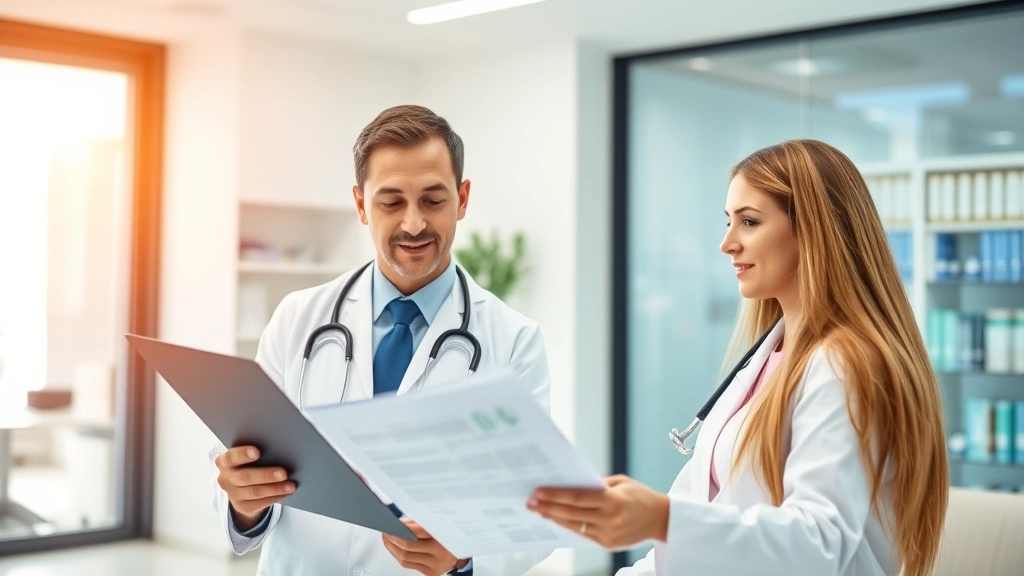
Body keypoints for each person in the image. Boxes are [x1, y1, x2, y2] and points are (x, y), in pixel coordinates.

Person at [527, 140, 948, 576]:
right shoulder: (765, 360)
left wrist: (661, 518)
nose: (727, 243)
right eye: (729, 222)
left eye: (749, 222)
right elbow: (691, 531)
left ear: (813, 229)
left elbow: (818, 547)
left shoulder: (847, 365)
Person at [212, 105, 552, 576]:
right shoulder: (297, 320)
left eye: (433, 200)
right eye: (391, 202)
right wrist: (244, 501)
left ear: (463, 198)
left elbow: (535, 508)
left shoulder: (514, 341)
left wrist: (466, 554)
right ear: (360, 205)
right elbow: (243, 477)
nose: (413, 224)